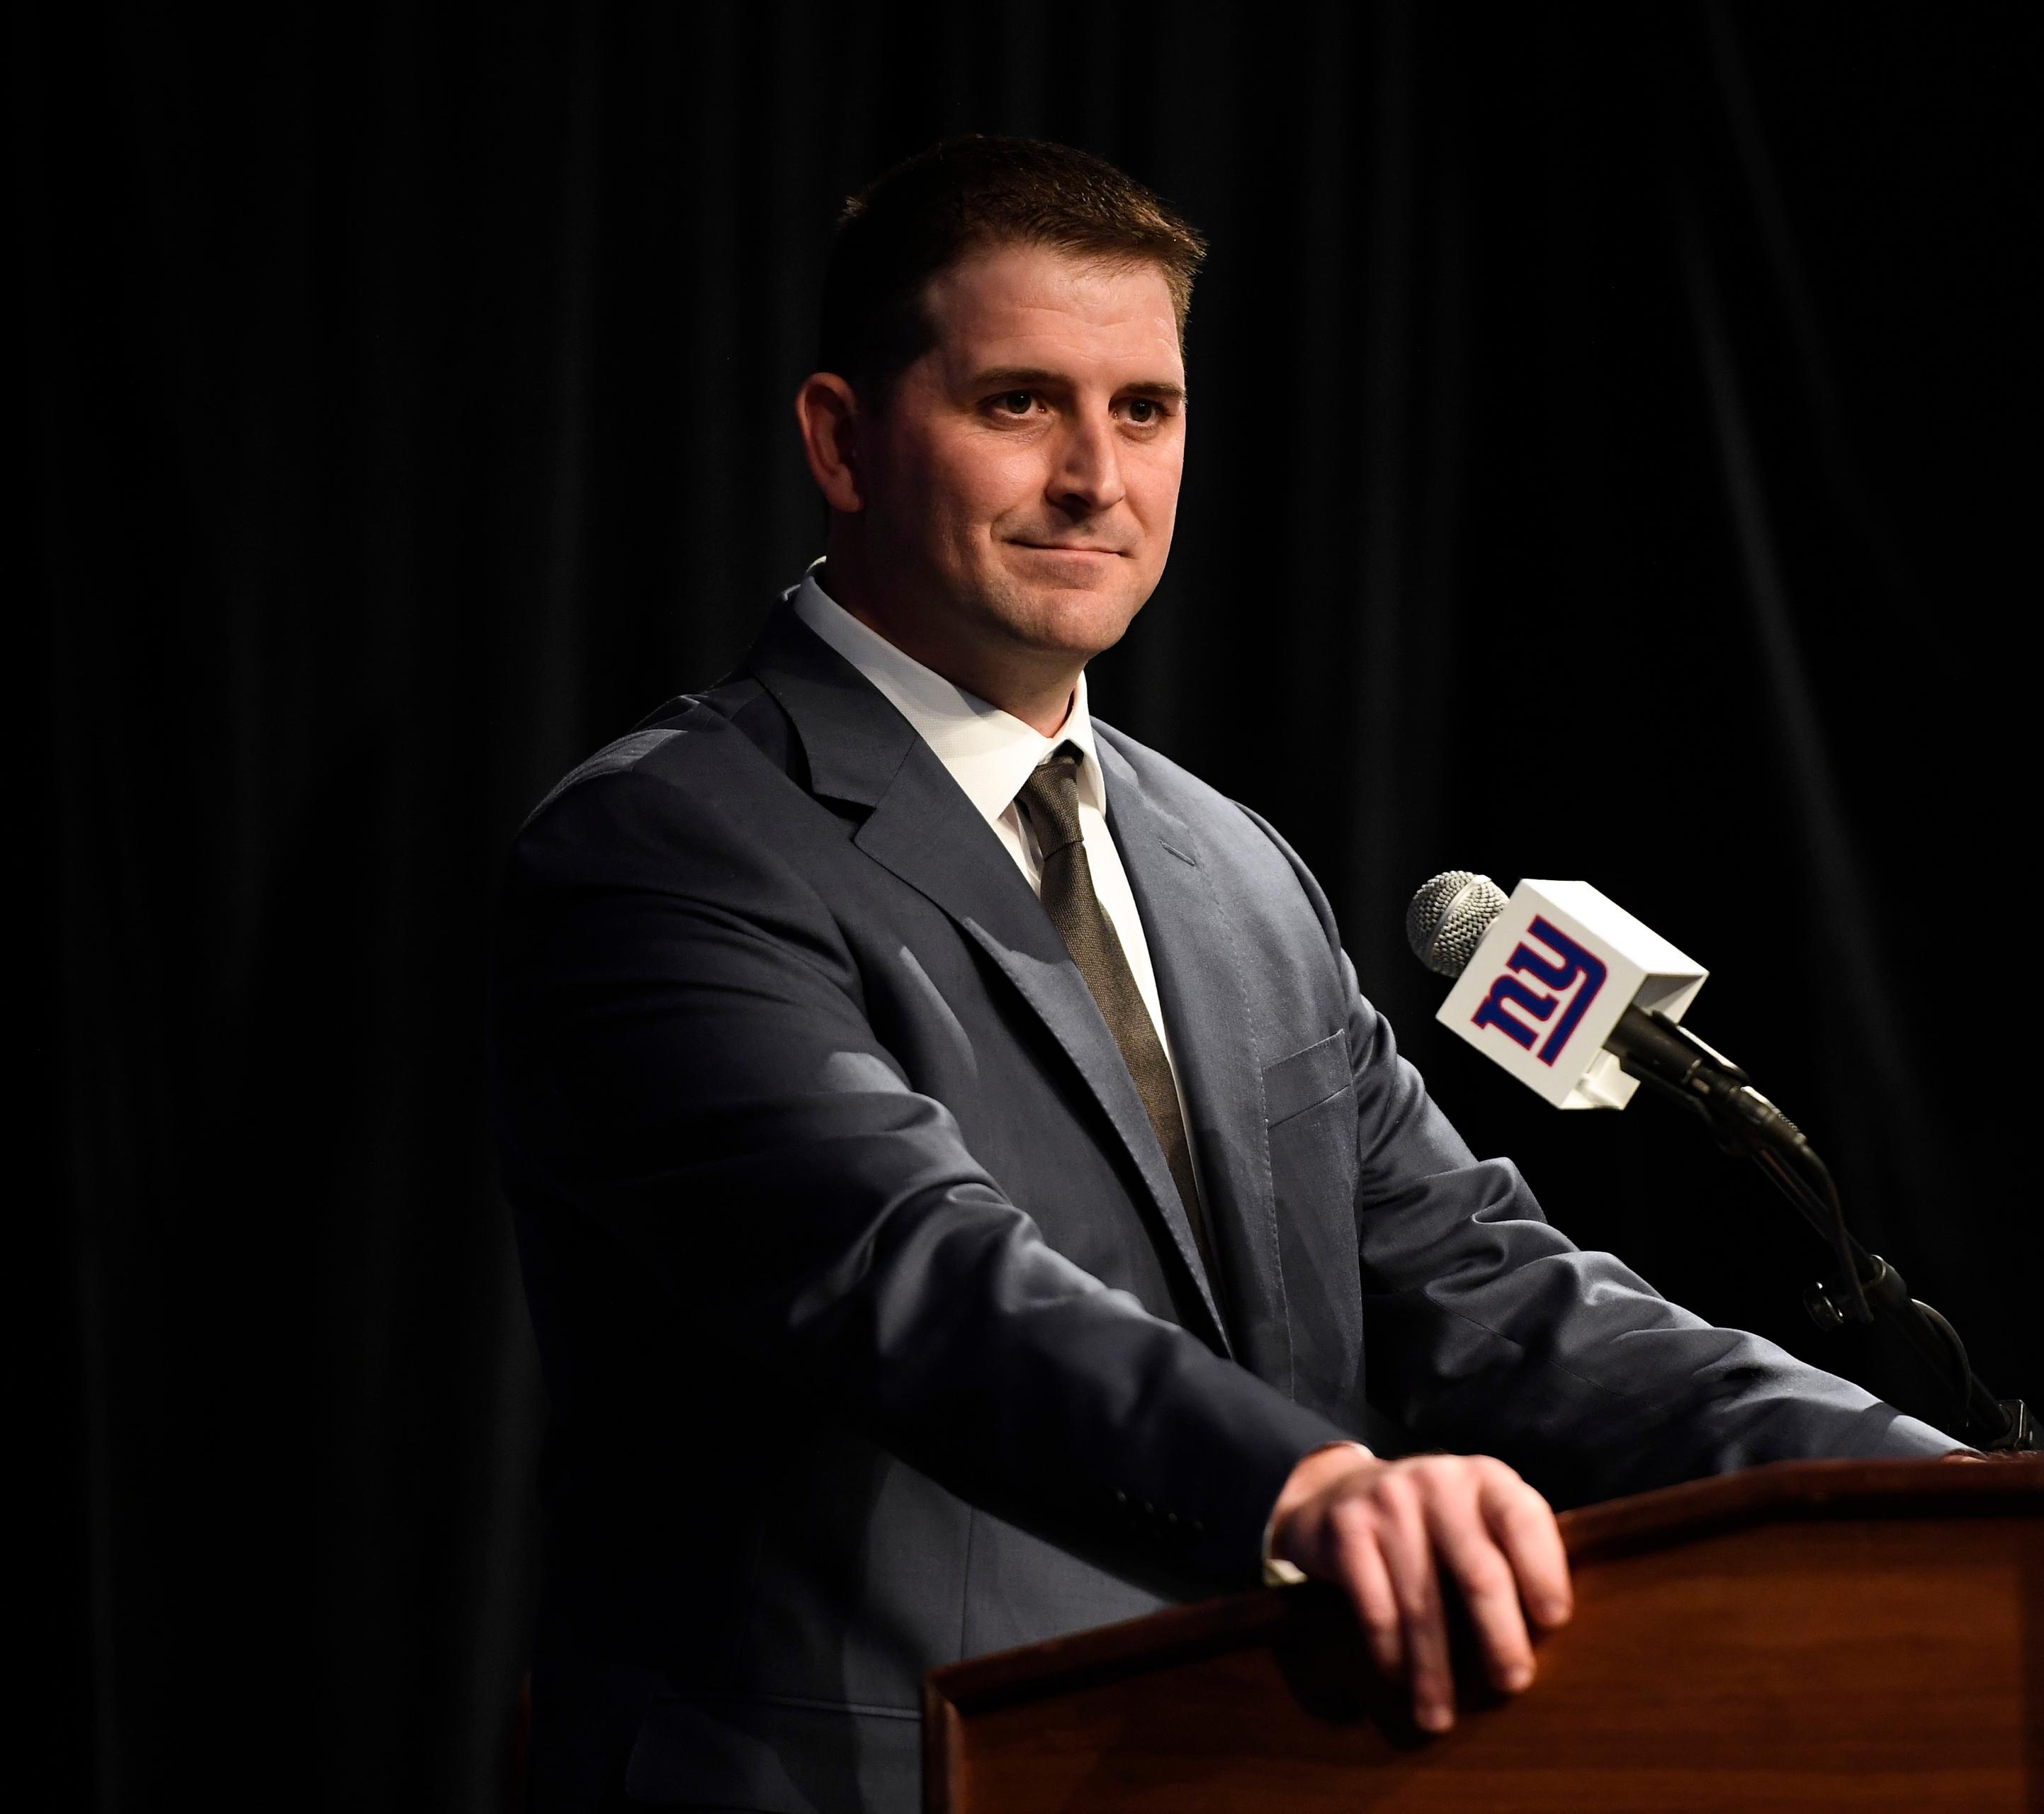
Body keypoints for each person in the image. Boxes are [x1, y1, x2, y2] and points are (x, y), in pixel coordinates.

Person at [492, 134, 1960, 1814]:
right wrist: (1312, 1488)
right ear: (841, 436)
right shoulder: (669, 844)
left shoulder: (1233, 867)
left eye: (1145, 411)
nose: (1094, 480)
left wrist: (1931, 1485)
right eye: (1019, 402)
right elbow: (916, 1274)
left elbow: (1483, 1282)